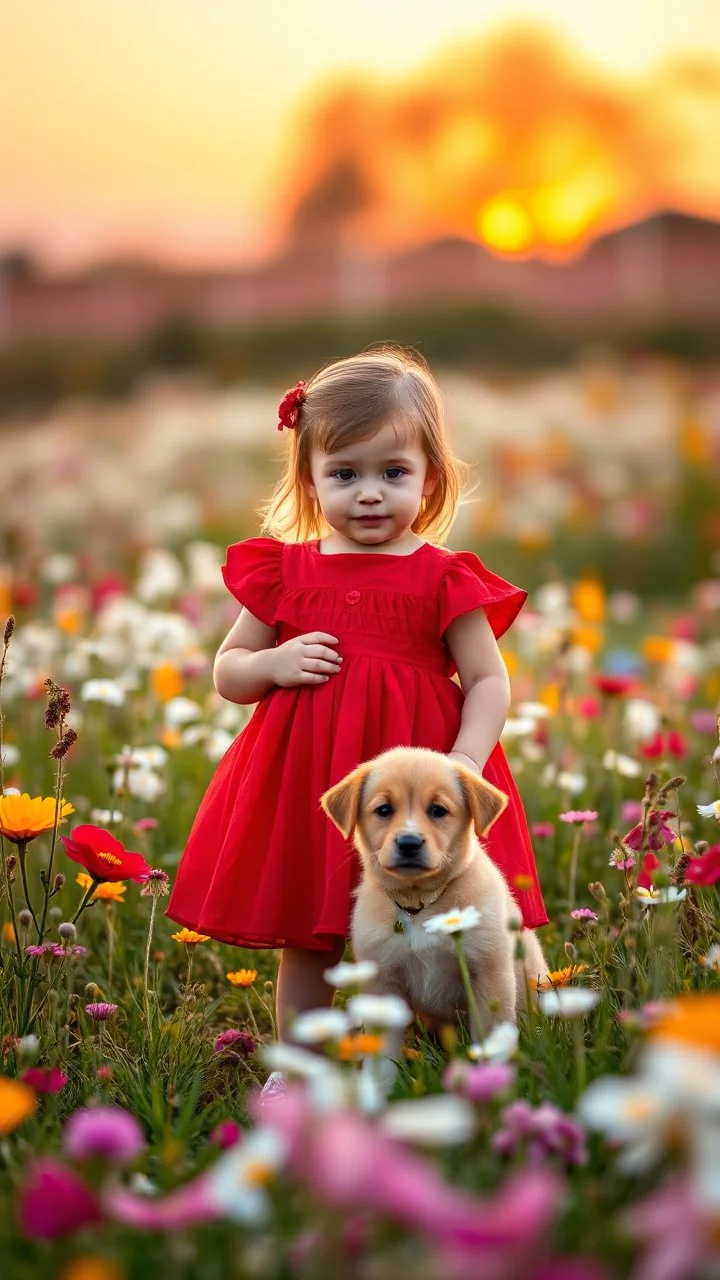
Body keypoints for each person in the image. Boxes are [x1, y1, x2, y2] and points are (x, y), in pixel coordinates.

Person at [166, 346, 548, 1083]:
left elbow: (488, 680)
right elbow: (227, 672)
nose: (369, 494)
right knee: (310, 932)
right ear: (308, 479)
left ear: (429, 478)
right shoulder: (285, 570)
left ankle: (464, 1048)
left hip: (422, 778)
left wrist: (466, 760)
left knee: (446, 917)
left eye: (392, 473)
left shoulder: (443, 576)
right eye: (344, 474)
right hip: (311, 779)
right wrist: (272, 663)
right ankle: (301, 1070)